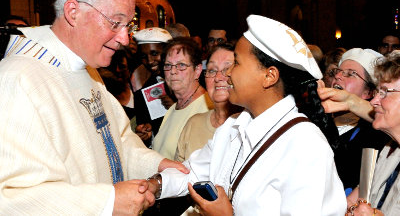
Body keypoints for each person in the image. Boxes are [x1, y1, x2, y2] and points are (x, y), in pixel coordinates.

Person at [0, 0, 187, 215]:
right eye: (114, 23)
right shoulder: (18, 79)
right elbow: (10, 197)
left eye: (127, 26)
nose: (124, 39)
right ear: (73, 12)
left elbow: (116, 141)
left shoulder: (86, 68)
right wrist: (106, 202)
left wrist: (158, 164)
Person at [148, 15, 346, 215]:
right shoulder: (233, 126)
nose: (228, 74)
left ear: (269, 76)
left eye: (236, 63)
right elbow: (192, 171)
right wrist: (155, 185)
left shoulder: (305, 145)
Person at [345, 51, 400, 216]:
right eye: (377, 92)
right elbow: (351, 203)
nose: (374, 101)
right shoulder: (389, 150)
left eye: (384, 92)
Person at [329, 48, 390, 194]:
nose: (338, 76)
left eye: (351, 74)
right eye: (337, 71)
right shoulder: (311, 117)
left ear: (368, 93)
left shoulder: (374, 135)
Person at [175, 43, 241, 162]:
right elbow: (176, 174)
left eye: (227, 69)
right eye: (212, 70)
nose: (218, 77)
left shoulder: (249, 126)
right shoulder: (193, 123)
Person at [153, 37, 214, 160]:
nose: (173, 71)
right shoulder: (173, 108)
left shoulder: (208, 108)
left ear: (197, 70)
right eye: (168, 65)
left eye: (181, 65)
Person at [132, 27, 174, 147]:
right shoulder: (141, 96)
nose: (149, 61)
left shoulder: (188, 85)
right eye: (144, 57)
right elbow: (147, 141)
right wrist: (145, 134)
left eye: (154, 53)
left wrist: (177, 109)